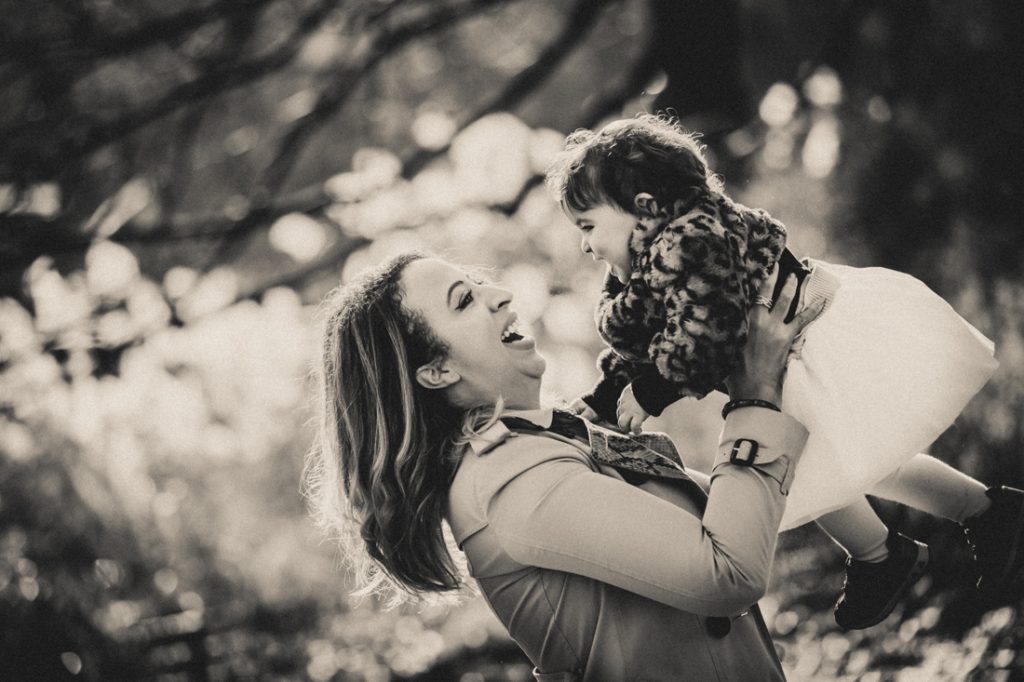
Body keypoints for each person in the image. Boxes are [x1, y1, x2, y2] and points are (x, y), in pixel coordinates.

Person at [544, 114, 1024, 630]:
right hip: (790, 357)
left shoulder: (692, 240)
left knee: (798, 470)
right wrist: (604, 395)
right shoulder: (660, 255)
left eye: (588, 226)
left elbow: (708, 327)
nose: (584, 245)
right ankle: (983, 512)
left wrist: (654, 390)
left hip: (806, 346)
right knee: (858, 462)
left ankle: (884, 556)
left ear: (644, 209)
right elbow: (652, 337)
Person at [305, 251, 821, 681]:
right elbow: (725, 573)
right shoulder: (511, 482)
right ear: (437, 370)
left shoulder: (547, 442)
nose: (500, 294)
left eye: (478, 283)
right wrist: (755, 396)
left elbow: (743, 511)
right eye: (464, 301)